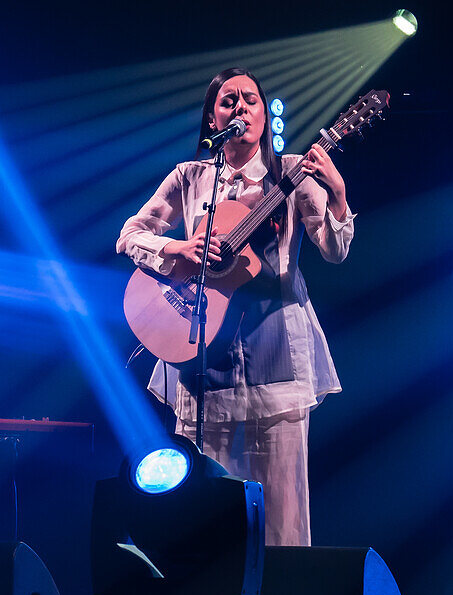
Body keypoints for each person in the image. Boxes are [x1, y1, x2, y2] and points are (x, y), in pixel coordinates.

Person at [116, 67, 355, 546]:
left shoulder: (292, 175)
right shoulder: (190, 178)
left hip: (277, 362)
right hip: (204, 363)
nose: (240, 107)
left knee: (284, 523)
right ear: (213, 120)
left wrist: (338, 193)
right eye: (228, 101)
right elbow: (129, 235)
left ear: (264, 117)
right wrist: (179, 251)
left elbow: (334, 250)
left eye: (250, 100)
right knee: (211, 524)